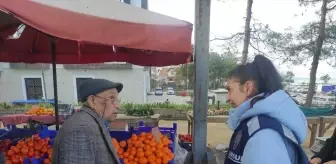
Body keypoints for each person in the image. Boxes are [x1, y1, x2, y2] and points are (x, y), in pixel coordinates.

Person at [224, 55, 308, 164]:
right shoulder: (255, 125)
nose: (228, 98)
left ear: (247, 88)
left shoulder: (264, 136)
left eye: (230, 90)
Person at [52, 79, 123, 164]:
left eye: (117, 99)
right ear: (92, 101)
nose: (118, 106)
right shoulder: (81, 129)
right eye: (111, 98)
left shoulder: (91, 121)